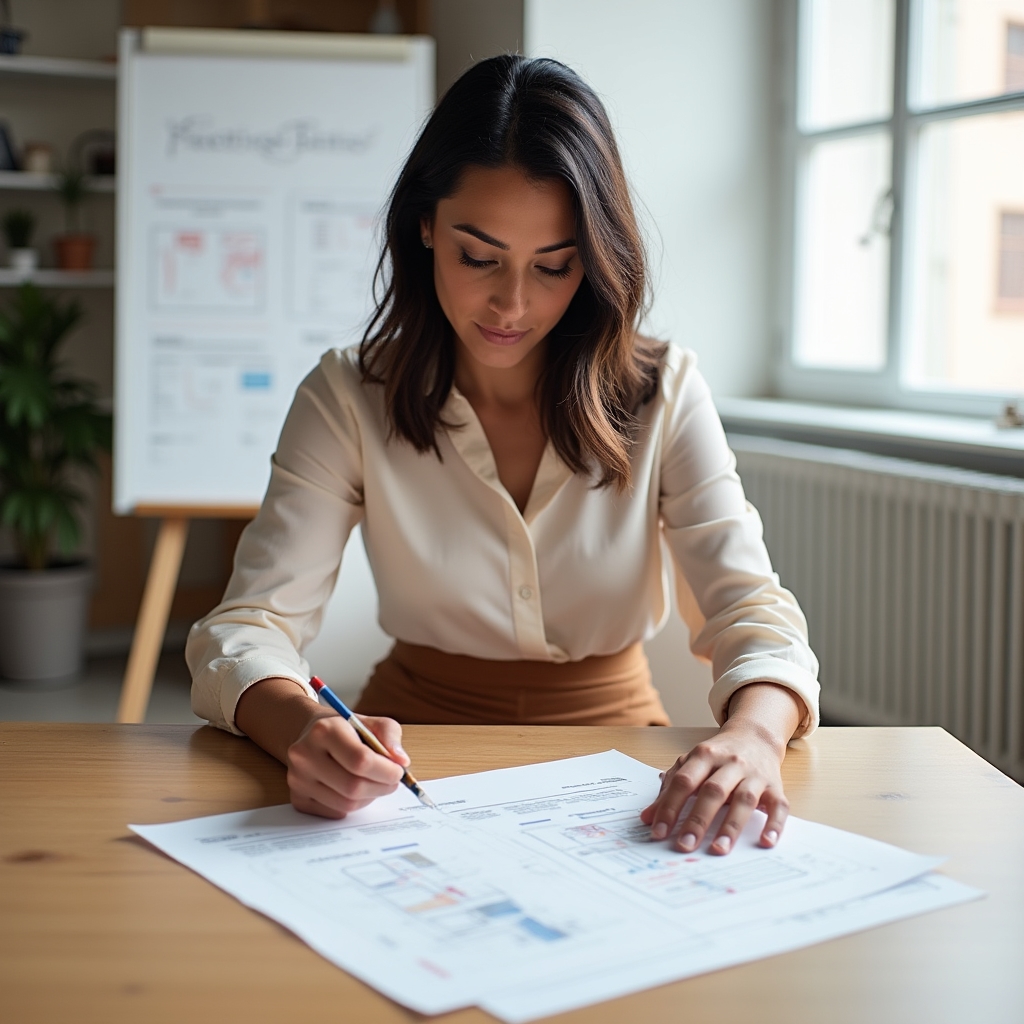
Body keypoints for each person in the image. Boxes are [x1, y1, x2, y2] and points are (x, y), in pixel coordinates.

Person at [187, 54, 819, 857]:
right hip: (412, 756)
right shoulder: (348, 395)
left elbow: (751, 611)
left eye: (553, 267)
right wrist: (303, 727)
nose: (512, 305)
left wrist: (757, 737)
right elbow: (248, 626)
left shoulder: (666, 391)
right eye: (479, 257)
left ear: (593, 258)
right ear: (425, 226)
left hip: (620, 758)